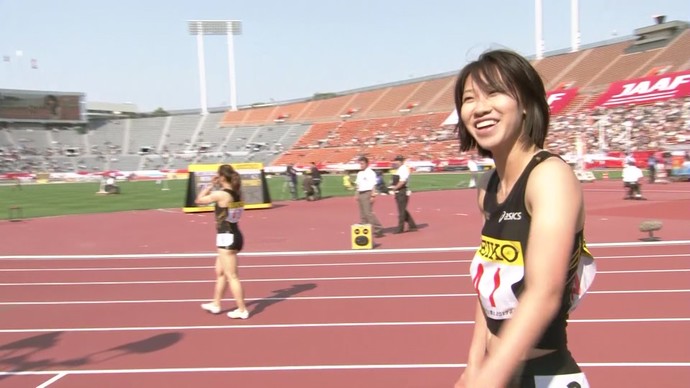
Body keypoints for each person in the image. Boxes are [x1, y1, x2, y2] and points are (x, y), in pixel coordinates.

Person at [452, 49, 595, 388]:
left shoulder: (549, 177)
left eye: (495, 92)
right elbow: (488, 285)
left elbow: (544, 292)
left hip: (545, 376)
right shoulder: (487, 186)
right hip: (496, 371)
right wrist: (474, 366)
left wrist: (490, 377)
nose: (480, 107)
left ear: (527, 104)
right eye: (469, 98)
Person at [195, 164, 249, 320]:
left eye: (217, 175)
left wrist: (211, 184)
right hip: (233, 235)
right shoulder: (239, 193)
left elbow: (198, 200)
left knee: (232, 275)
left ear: (222, 177)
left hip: (227, 237)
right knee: (220, 272)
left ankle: (242, 309)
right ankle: (216, 304)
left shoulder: (221, 195)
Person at [354, 156, 384, 238]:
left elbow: (374, 185)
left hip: (367, 192)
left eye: (362, 163)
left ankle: (378, 229)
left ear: (367, 164)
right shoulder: (360, 173)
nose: (361, 165)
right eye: (360, 163)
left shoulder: (370, 173)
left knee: (368, 212)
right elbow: (357, 184)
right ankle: (364, 227)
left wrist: (373, 195)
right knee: (362, 212)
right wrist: (356, 194)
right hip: (361, 192)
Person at [390, 155, 417, 234]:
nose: (395, 162)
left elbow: (402, 181)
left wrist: (394, 188)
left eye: (397, 160)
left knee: (401, 211)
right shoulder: (400, 169)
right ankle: (412, 225)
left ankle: (400, 228)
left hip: (402, 190)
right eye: (395, 160)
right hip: (399, 190)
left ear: (401, 161)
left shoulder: (404, 169)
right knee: (402, 209)